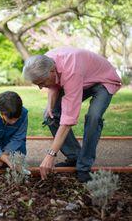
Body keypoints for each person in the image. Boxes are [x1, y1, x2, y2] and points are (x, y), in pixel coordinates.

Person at [23, 46, 122, 183]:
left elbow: (68, 120)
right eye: (37, 84)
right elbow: (53, 82)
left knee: (93, 117)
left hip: (103, 80)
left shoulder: (71, 70)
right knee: (50, 115)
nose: (40, 87)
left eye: (41, 83)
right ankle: (75, 156)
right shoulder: (44, 62)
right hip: (83, 78)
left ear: (51, 71)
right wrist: (50, 105)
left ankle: (84, 167)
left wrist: (51, 154)